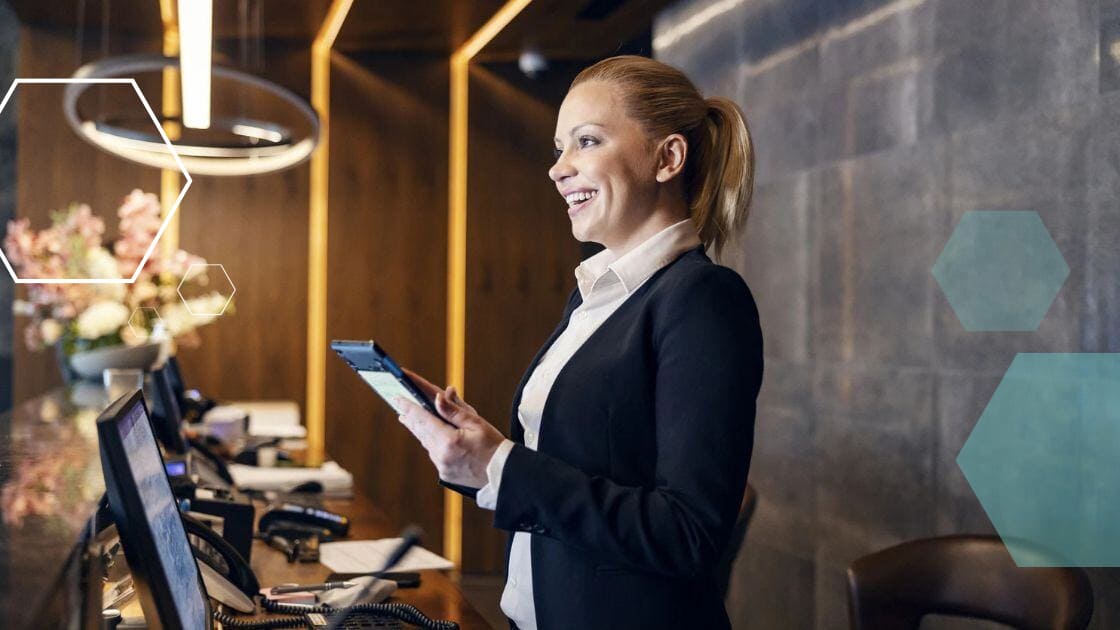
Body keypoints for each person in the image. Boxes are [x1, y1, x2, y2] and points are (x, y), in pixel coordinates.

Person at [395, 55, 764, 630]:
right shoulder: (597, 294)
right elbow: (574, 471)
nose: (558, 169)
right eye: (559, 148)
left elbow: (688, 534)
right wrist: (481, 453)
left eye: (586, 141)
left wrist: (503, 465)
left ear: (667, 158)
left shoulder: (703, 300)